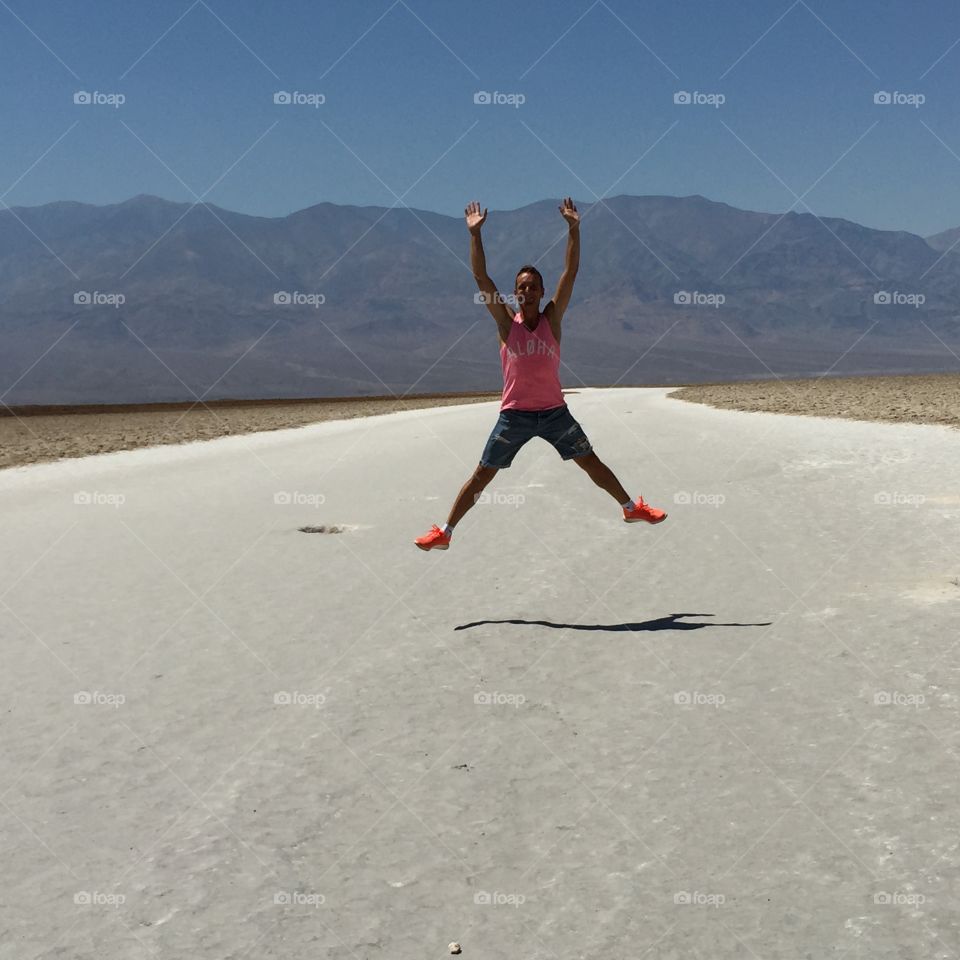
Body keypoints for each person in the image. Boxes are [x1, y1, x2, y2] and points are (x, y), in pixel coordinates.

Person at [414, 198, 667, 551]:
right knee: (483, 473)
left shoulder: (552, 319)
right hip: (514, 416)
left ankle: (630, 508)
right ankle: (445, 532)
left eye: (533, 286)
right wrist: (475, 235)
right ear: (515, 293)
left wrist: (574, 229)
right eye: (522, 286)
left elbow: (570, 273)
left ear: (542, 292)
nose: (528, 291)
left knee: (590, 461)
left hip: (553, 413)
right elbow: (481, 278)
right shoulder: (506, 324)